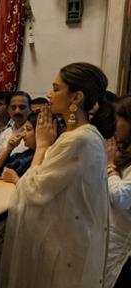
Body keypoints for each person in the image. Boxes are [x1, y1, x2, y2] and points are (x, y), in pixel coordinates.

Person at [0, 62, 115, 288]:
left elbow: (33, 191)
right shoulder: (78, 135)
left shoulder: (79, 140)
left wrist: (42, 147)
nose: (49, 95)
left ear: (76, 97)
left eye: (56, 88)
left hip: (67, 247)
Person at [104, 95, 131, 288]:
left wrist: (110, 166)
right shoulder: (124, 150)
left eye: (117, 120)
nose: (113, 125)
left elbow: (121, 198)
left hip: (122, 245)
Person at [0, 111, 38, 184]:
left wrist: (15, 179)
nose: (23, 134)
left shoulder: (41, 157)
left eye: (28, 129)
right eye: (25, 129)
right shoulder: (26, 153)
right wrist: (9, 148)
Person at [0, 91, 31, 155]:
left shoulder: (35, 134)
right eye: (13, 107)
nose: (17, 111)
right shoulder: (5, 133)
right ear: (8, 110)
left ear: (30, 109)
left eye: (22, 107)